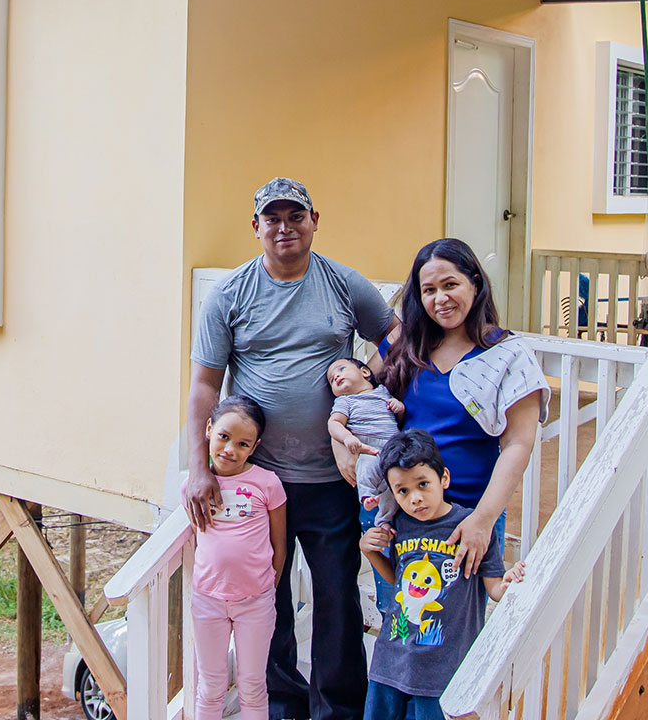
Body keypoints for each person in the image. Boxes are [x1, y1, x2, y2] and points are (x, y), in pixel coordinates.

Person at [188, 177, 398, 720]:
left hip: (334, 480)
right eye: (272, 218)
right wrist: (199, 467)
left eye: (295, 216)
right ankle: (280, 706)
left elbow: (395, 342)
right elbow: (205, 388)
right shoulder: (230, 295)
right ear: (256, 227)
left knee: (336, 600)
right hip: (257, 483)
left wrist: (364, 377)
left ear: (314, 220)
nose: (285, 227)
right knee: (268, 602)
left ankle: (338, 711)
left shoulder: (344, 284)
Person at [373, 238, 549, 574]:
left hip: (467, 516)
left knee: (461, 621)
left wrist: (483, 520)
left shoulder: (507, 354)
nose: (440, 299)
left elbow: (518, 444)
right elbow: (359, 391)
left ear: (475, 283)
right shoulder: (406, 344)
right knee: (400, 618)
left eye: (450, 284)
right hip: (405, 514)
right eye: (429, 290)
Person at [358, 430, 524, 720]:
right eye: (403, 491)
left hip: (442, 668)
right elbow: (400, 582)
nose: (415, 499)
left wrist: (510, 581)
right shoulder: (400, 525)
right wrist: (370, 551)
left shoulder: (472, 528)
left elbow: (494, 587)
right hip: (391, 659)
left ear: (443, 478)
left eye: (423, 484)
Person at [186, 398, 288, 720]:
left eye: (242, 444)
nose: (230, 449)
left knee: (253, 684)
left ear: (254, 446)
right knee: (211, 684)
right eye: (224, 437)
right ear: (209, 430)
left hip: (255, 602)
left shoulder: (267, 483)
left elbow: (279, 544)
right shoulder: (195, 485)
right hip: (208, 600)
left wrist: (268, 585)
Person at [324, 357, 403, 525]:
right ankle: (368, 497)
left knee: (396, 483)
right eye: (331, 380)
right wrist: (347, 438)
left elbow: (398, 417)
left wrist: (399, 407)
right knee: (365, 467)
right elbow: (334, 423)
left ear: (365, 372)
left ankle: (386, 519)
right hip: (369, 449)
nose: (336, 376)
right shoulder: (344, 401)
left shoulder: (383, 392)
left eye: (341, 369)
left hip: (394, 447)